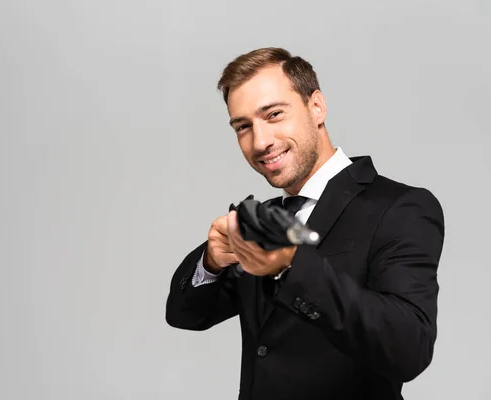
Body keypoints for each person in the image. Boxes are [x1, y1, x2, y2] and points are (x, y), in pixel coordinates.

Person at [164, 47, 445, 400]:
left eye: (274, 114)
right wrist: (212, 263)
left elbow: (409, 349)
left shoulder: (400, 207)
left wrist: (293, 264)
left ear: (317, 107)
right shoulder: (260, 220)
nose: (260, 141)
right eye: (243, 127)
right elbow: (185, 314)